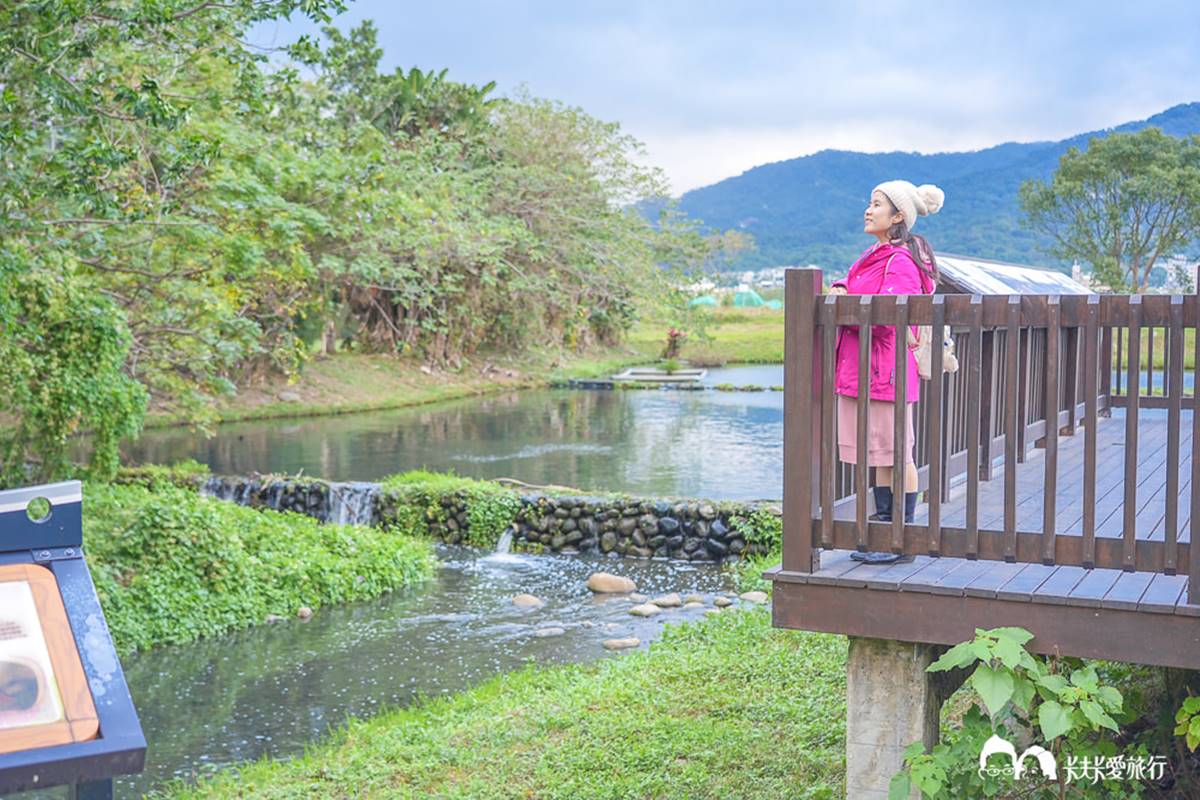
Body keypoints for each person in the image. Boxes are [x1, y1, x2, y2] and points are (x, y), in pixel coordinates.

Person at [828, 180, 943, 564]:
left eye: (876, 204)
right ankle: (883, 536)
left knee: (898, 456)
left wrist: (849, 304)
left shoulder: (901, 262)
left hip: (885, 370)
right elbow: (854, 282)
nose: (868, 209)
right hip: (869, 370)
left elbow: (891, 317)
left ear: (897, 216)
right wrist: (842, 289)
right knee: (882, 456)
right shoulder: (875, 255)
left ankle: (901, 543)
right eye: (869, 202)